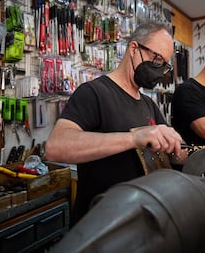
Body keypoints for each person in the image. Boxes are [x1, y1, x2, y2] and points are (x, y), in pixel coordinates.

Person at [45, 22, 187, 225]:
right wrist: (134, 137)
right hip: (99, 227)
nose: (160, 69)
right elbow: (55, 147)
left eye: (164, 63)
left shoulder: (149, 104)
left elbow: (172, 152)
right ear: (134, 49)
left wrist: (189, 154)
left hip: (138, 223)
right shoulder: (94, 93)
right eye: (156, 58)